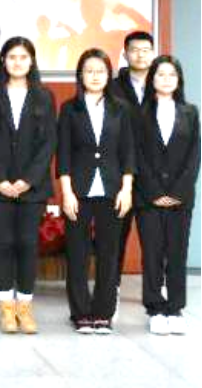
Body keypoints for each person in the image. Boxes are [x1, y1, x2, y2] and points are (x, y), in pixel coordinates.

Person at [0, 37, 56, 334]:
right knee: (4, 244)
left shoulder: (44, 96)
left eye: (23, 57)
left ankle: (25, 307)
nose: (17, 62)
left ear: (32, 61)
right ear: (4, 61)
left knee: (27, 244)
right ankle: (7, 309)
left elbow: (48, 143)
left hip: (31, 187)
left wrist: (27, 180)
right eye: (12, 57)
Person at [58, 48, 135, 334]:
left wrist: (127, 189)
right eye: (89, 71)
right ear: (80, 75)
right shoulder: (70, 108)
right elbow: (63, 154)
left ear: (108, 75)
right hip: (78, 191)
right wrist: (66, 193)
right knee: (77, 255)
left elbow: (128, 152)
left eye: (100, 71)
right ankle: (80, 313)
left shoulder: (121, 109)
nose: (94, 76)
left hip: (112, 190)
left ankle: (103, 313)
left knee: (108, 254)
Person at [133, 55, 200, 335]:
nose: (166, 79)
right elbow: (136, 154)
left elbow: (194, 156)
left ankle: (175, 308)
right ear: (152, 79)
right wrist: (154, 192)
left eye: (172, 75)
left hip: (180, 198)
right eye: (160, 74)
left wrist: (177, 191)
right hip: (147, 197)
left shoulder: (190, 112)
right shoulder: (138, 113)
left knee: (176, 253)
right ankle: (155, 308)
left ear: (179, 80)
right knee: (152, 253)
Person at [110, 31, 154, 301]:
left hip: (153, 173)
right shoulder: (112, 86)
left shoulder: (163, 83)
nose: (140, 54)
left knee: (154, 236)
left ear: (152, 53)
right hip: (118, 172)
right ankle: (111, 286)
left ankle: (155, 287)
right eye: (134, 49)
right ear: (125, 54)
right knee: (116, 233)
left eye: (145, 50)